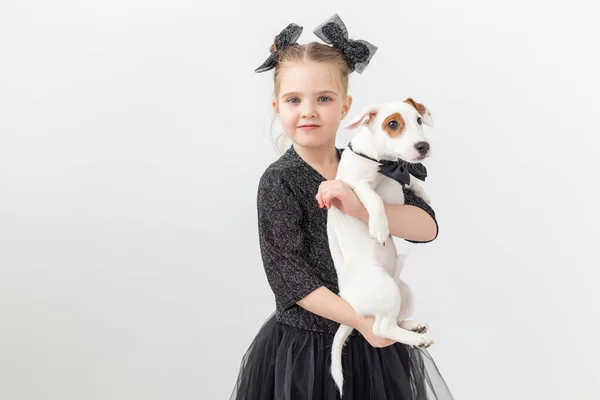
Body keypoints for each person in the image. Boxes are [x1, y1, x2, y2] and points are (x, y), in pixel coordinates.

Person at [230, 14, 454, 400]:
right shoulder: (280, 181)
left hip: (375, 343)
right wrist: (361, 322)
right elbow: (289, 276)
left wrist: (362, 208)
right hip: (310, 346)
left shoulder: (374, 165)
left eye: (324, 99)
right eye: (294, 99)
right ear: (277, 105)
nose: (309, 111)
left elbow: (426, 228)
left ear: (348, 108)